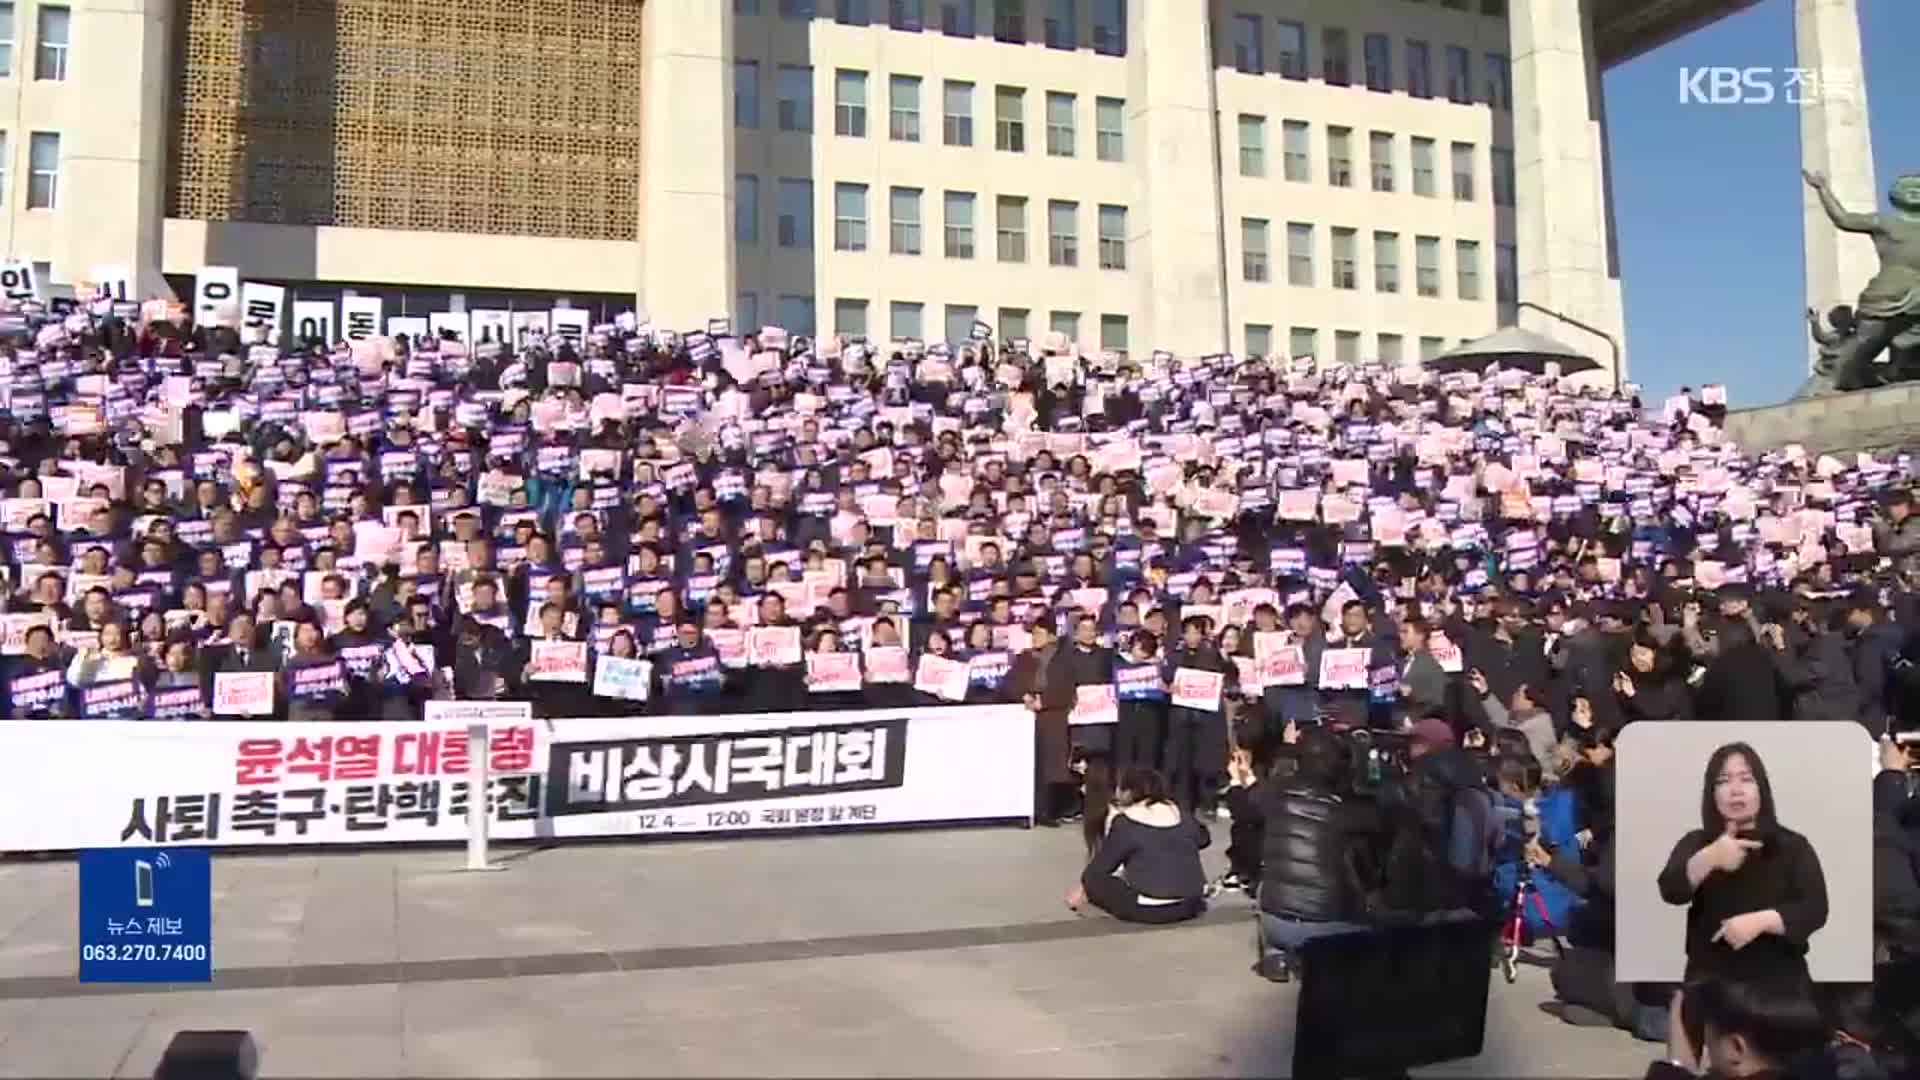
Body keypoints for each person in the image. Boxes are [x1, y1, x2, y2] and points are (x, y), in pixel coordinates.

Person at [1657, 742, 1830, 984]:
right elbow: (1670, 890)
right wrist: (1709, 858)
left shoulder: (1792, 845)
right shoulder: (1697, 842)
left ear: (1762, 788)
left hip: (1780, 984)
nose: (1736, 790)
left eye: (1746, 779)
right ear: (1711, 793)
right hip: (1710, 982)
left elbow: (1815, 908)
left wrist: (1760, 922)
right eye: (1723, 781)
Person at [1230, 723, 1384, 982]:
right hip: (1330, 923)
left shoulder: (1273, 796)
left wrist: (1237, 780)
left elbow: (1242, 805)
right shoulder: (1347, 811)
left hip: (1275, 919)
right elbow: (1379, 843)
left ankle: (1278, 952)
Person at [1067, 766, 1210, 925]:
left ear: (1129, 792)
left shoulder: (1127, 821)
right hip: (1192, 902)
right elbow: (1204, 839)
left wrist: (1084, 888)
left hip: (1153, 908)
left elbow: (1099, 869)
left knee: (1093, 879)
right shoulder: (1179, 812)